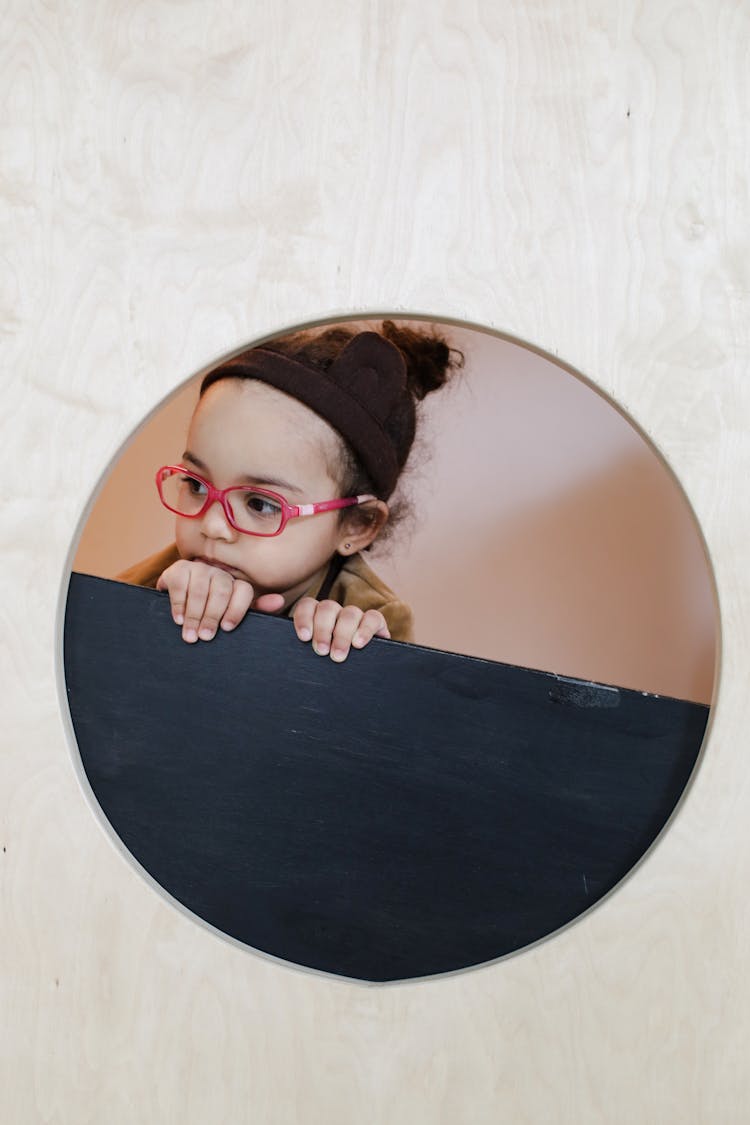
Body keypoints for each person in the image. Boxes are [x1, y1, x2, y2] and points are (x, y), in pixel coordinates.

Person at [118, 321, 462, 661]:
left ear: (356, 524)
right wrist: (158, 610)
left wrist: (353, 661)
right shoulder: (165, 580)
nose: (213, 526)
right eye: (195, 484)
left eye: (260, 504)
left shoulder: (371, 622)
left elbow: (389, 710)